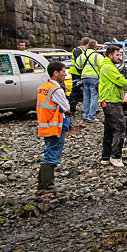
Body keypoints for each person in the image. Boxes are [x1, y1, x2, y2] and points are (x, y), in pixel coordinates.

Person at [36, 61, 72, 195]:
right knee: (52, 154)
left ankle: (41, 184)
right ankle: (48, 185)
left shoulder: (43, 87)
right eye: (63, 71)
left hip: (45, 125)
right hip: (54, 126)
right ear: (55, 73)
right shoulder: (56, 90)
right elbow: (67, 108)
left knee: (48, 151)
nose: (65, 74)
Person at [99, 45, 127, 167]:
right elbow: (123, 82)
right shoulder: (108, 67)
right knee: (120, 128)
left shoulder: (108, 66)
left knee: (109, 129)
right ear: (110, 55)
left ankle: (106, 156)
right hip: (112, 101)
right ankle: (115, 156)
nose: (119, 57)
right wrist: (121, 81)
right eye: (117, 55)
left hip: (109, 101)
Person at [79, 39, 104, 122]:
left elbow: (78, 65)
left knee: (86, 97)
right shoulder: (98, 56)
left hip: (84, 77)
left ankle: (85, 115)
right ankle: (91, 116)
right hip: (94, 78)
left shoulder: (83, 55)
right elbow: (103, 67)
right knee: (94, 97)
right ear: (95, 47)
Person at [67, 37, 91, 115]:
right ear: (87, 44)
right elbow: (79, 63)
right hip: (76, 73)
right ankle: (71, 108)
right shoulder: (78, 51)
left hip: (80, 73)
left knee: (80, 91)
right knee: (75, 91)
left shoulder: (82, 51)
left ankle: (85, 108)